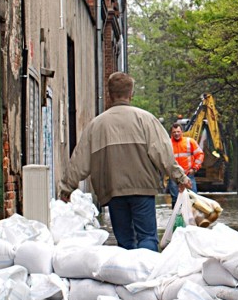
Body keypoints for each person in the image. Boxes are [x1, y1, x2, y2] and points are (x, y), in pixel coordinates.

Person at [58, 72, 192, 252]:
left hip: (112, 190)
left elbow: (79, 161)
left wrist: (67, 187)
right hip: (142, 188)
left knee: (125, 242)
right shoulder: (146, 120)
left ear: (109, 94)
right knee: (147, 237)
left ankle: (128, 275)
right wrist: (180, 177)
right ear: (131, 94)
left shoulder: (96, 125)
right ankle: (148, 273)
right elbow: (163, 154)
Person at [166, 122, 204, 208]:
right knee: (175, 199)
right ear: (171, 133)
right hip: (174, 176)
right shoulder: (167, 144)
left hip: (188, 174)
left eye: (178, 131)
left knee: (193, 198)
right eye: (174, 132)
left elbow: (200, 154)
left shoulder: (189, 141)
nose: (176, 134)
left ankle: (193, 218)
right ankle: (177, 219)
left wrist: (194, 168)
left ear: (182, 132)